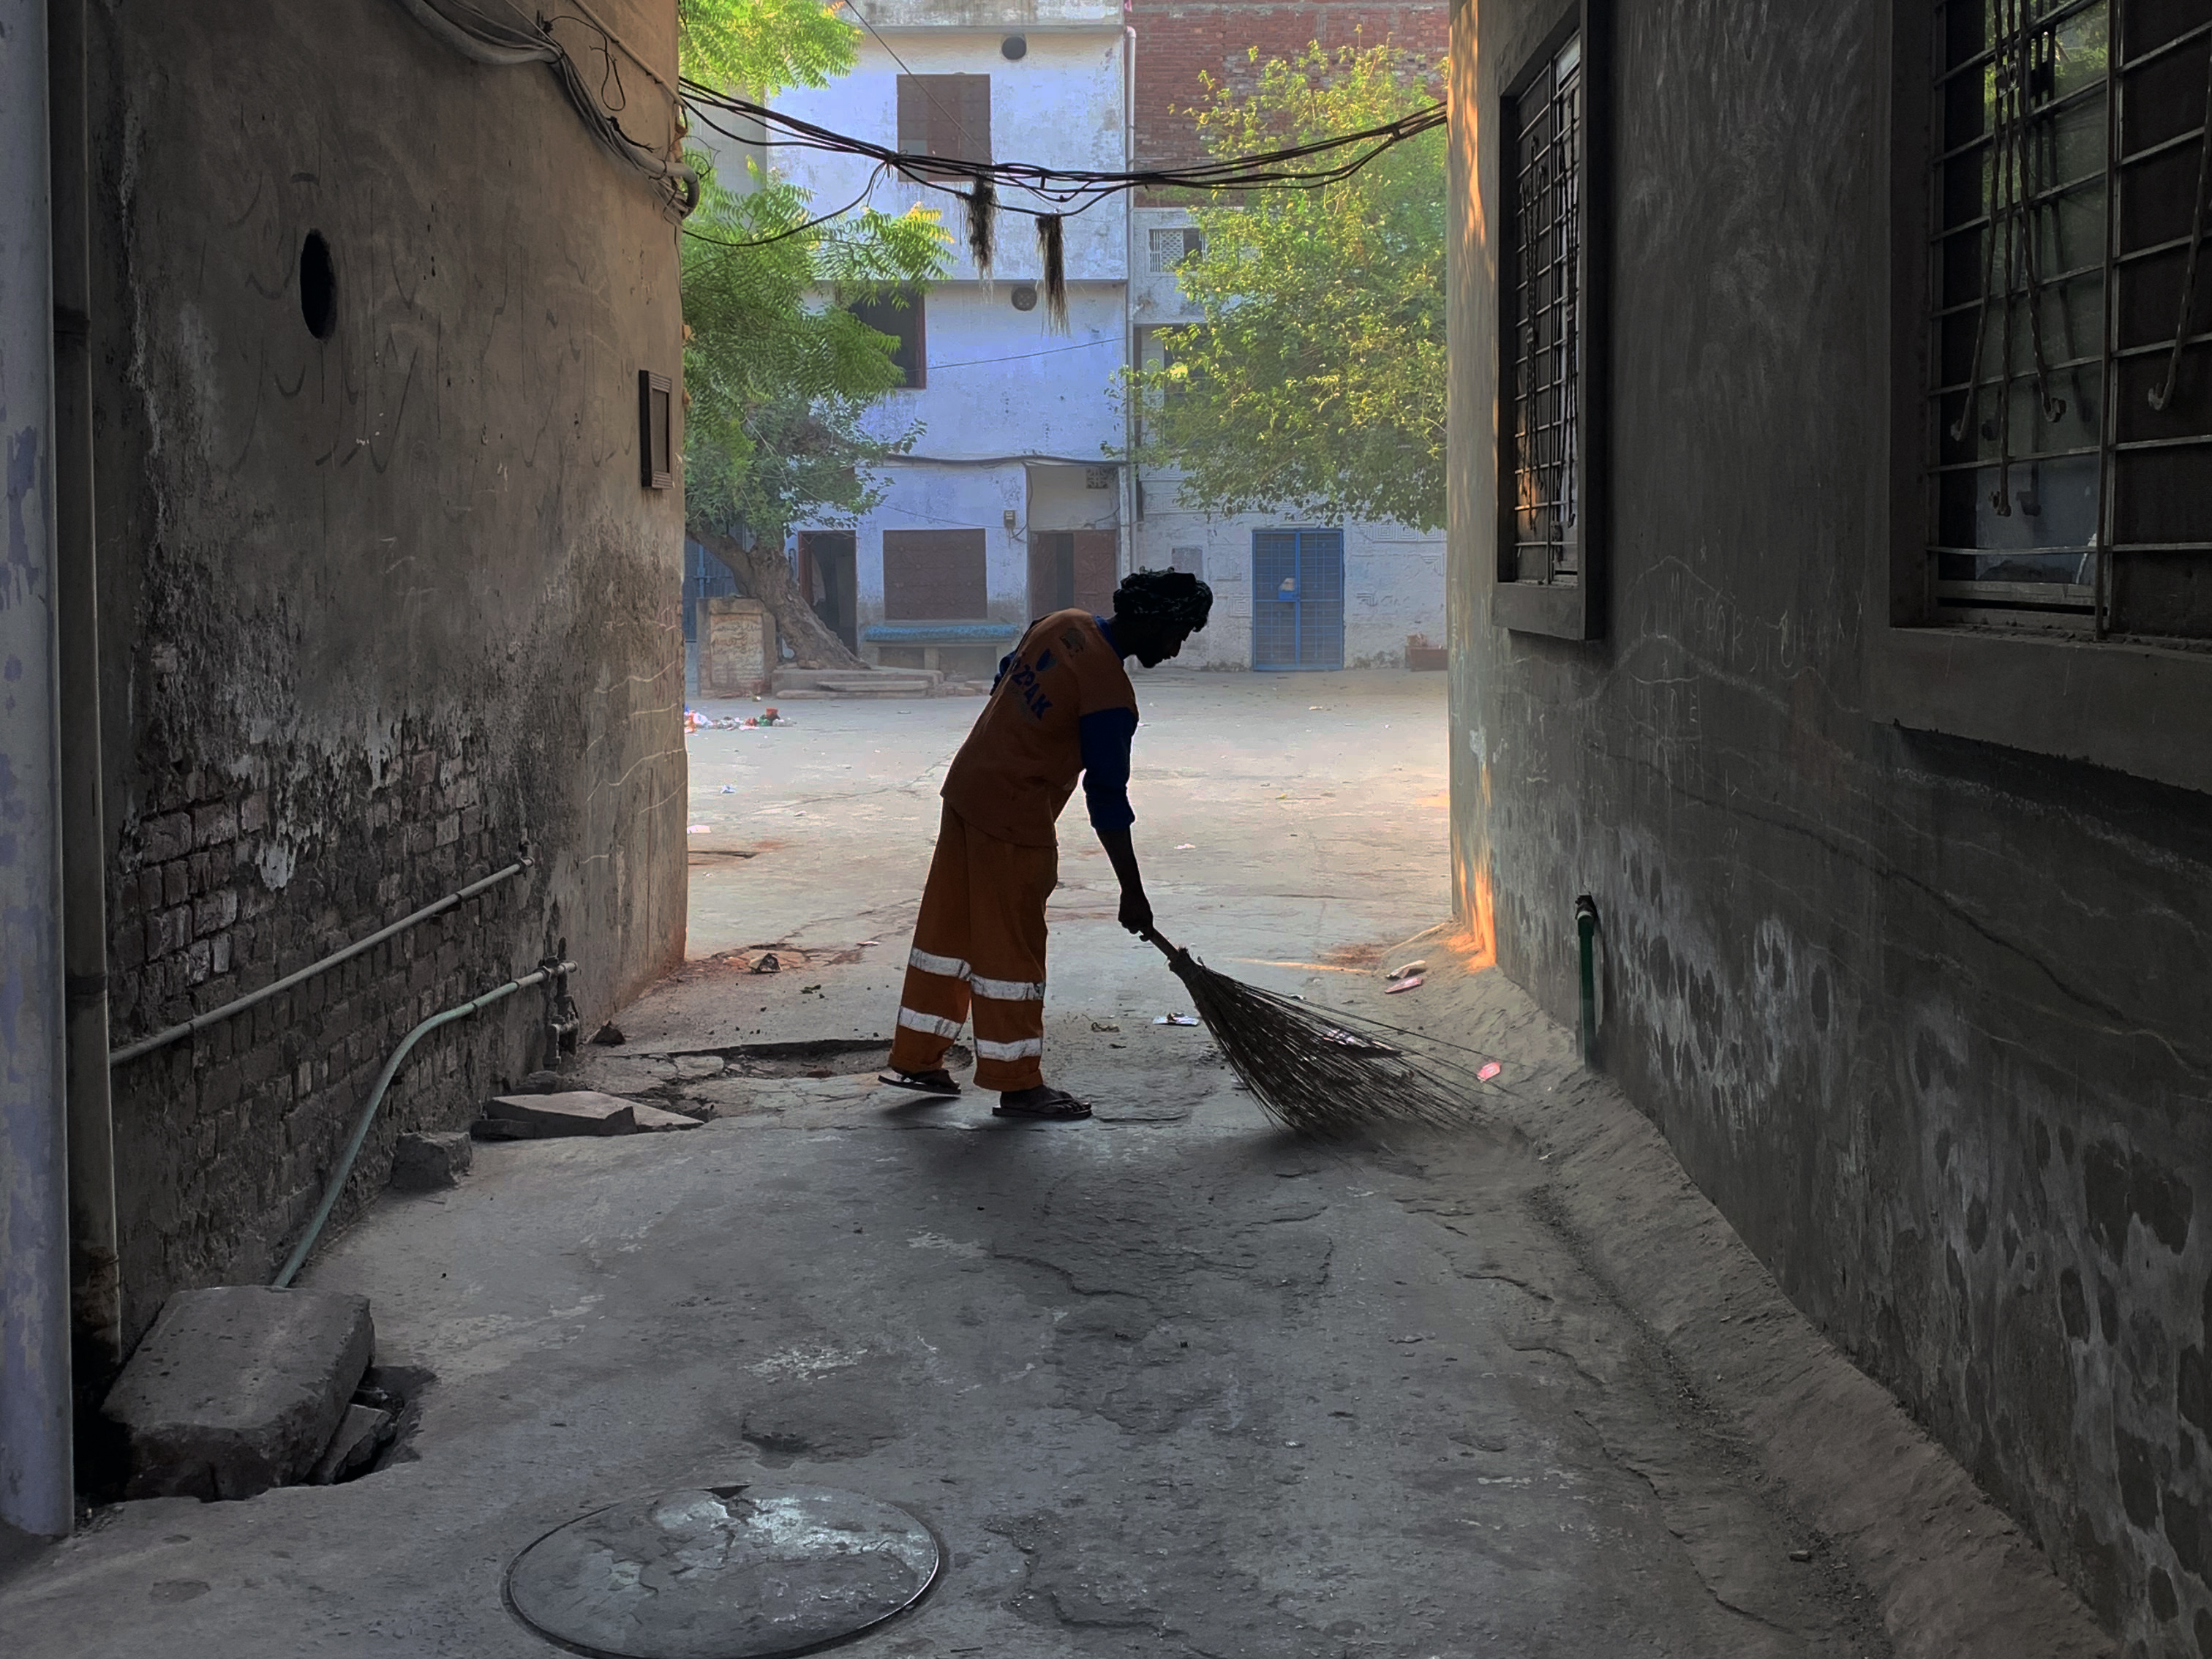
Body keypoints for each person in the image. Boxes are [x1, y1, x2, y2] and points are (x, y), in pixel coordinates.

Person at [879, 568, 1213, 1119]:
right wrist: (1133, 892)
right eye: (1178, 634)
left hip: (967, 788)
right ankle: (1018, 1085)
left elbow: (1006, 677)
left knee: (948, 932)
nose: (1177, 649)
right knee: (1012, 952)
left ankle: (915, 1058)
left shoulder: (1061, 624)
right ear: (1153, 621)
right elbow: (1107, 800)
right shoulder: (1110, 696)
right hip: (1014, 818)